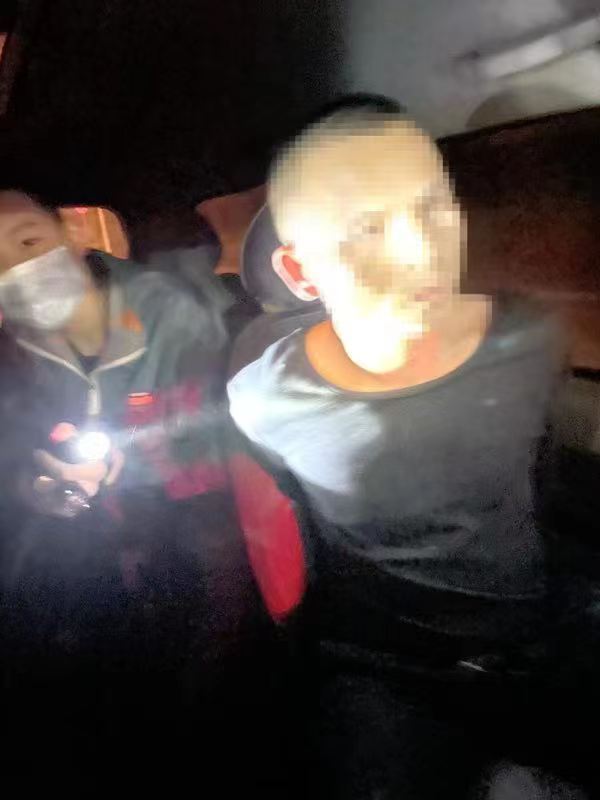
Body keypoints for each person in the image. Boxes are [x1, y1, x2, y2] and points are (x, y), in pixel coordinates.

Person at [227, 95, 590, 797]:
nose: (423, 252)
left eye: (433, 209)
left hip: (537, 631)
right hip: (384, 669)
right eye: (368, 229)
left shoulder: (528, 340)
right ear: (301, 274)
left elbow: (539, 477)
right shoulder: (263, 401)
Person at [0, 189, 254, 769]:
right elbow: (15, 456)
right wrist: (35, 489)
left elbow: (229, 435)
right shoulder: (11, 354)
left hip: (205, 528)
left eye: (28, 241)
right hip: (97, 548)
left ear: (71, 233)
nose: (15, 271)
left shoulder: (179, 313)